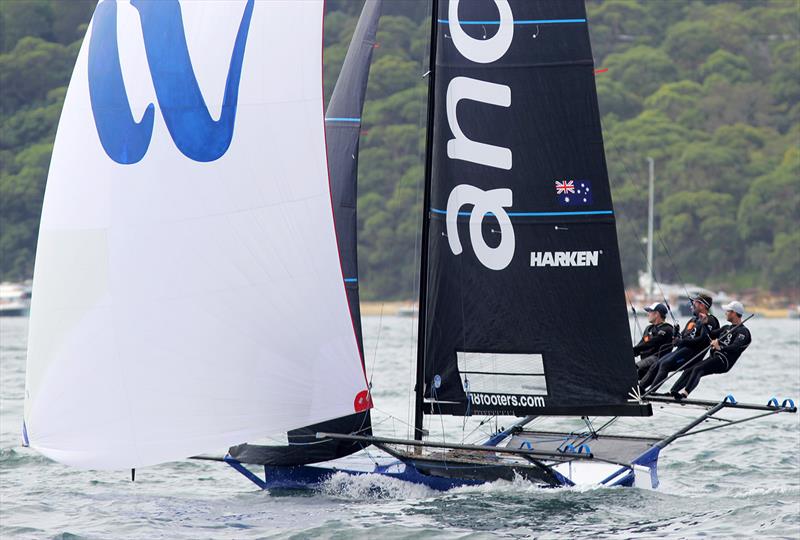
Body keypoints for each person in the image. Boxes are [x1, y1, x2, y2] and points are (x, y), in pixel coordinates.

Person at [639, 294, 720, 393]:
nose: (691, 306)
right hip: (681, 350)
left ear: (702, 305)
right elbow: (682, 337)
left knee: (665, 365)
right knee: (656, 364)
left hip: (691, 353)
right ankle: (640, 389)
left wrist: (682, 341)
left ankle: (650, 392)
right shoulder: (693, 320)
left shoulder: (710, 320)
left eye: (694, 304)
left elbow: (703, 340)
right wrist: (676, 336)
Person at [670, 301, 751, 399]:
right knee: (689, 370)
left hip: (724, 361)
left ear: (733, 313)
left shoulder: (743, 332)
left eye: (727, 311)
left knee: (698, 369)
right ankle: (673, 392)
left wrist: (720, 347)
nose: (725, 313)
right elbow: (711, 335)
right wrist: (704, 323)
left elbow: (735, 347)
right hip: (715, 357)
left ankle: (684, 394)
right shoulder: (726, 328)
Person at [633, 302, 675, 378]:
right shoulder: (648, 328)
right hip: (645, 362)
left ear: (656, 314)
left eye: (650, 311)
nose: (648, 314)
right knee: (633, 376)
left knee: (633, 368)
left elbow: (651, 343)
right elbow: (641, 344)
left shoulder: (667, 329)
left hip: (657, 361)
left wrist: (633, 350)